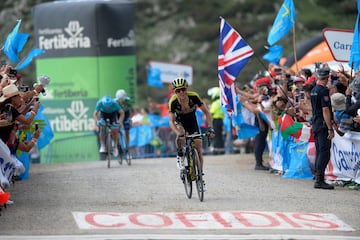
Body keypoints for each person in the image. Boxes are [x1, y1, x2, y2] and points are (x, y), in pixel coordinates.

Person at [168, 77, 214, 190]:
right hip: (180, 122)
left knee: (199, 150)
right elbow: (171, 121)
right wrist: (177, 133)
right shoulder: (173, 101)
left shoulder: (194, 97)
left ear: (186, 88)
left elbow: (207, 112)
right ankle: (180, 155)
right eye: (178, 90)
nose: (181, 92)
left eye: (183, 89)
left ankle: (200, 178)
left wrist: (210, 128)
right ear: (175, 92)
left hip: (192, 122)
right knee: (182, 134)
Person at [310, 67, 335, 190]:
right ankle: (319, 180)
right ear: (327, 77)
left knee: (320, 151)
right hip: (322, 124)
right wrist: (330, 128)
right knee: (324, 152)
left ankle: (318, 177)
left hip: (316, 123)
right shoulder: (323, 91)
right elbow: (325, 109)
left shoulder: (314, 90)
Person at [207, 86, 224, 155]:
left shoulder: (215, 103)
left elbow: (211, 113)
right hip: (221, 120)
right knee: (220, 135)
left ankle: (216, 149)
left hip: (216, 120)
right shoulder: (221, 102)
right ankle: (221, 149)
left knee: (216, 135)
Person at [115, 89, 133, 154]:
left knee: (127, 131)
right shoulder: (115, 102)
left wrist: (130, 119)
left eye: (123, 100)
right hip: (118, 115)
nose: (121, 102)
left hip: (126, 115)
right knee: (115, 130)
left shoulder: (128, 101)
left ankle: (127, 147)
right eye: (120, 100)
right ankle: (118, 145)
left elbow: (131, 111)